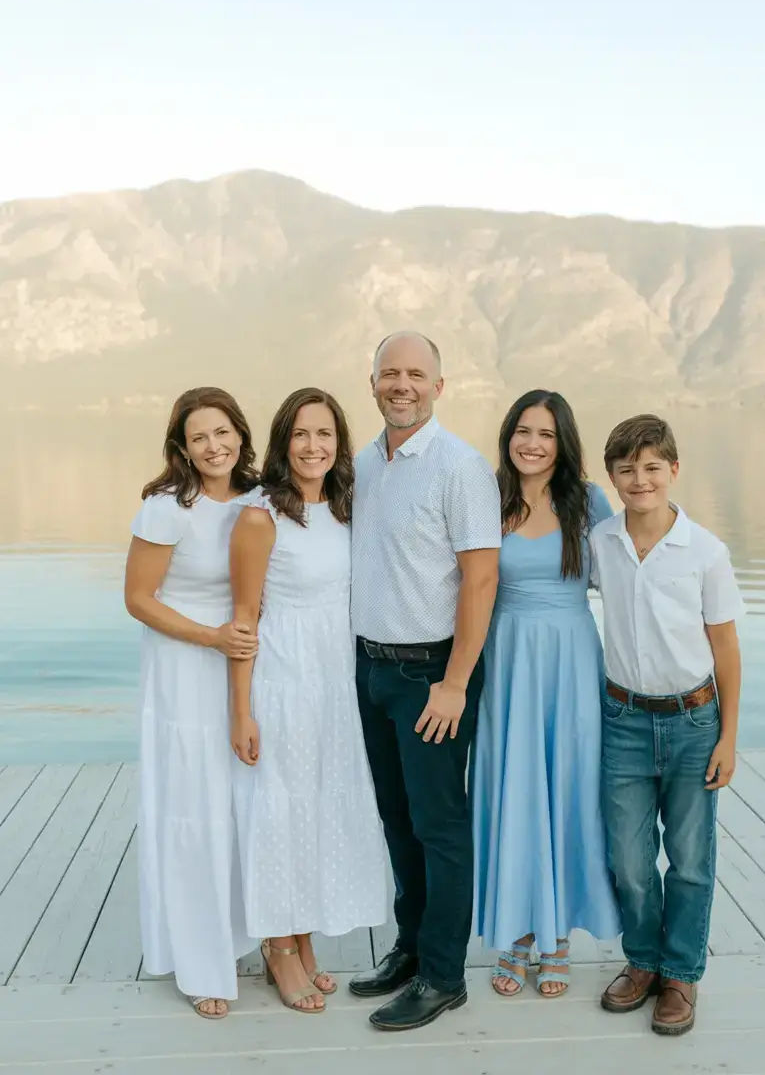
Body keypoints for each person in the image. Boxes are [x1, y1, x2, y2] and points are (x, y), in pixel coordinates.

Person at [348, 331, 502, 1032]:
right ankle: (409, 947)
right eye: (391, 373)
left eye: (416, 374)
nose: (401, 385)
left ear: (439, 387)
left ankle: (443, 976)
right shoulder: (363, 465)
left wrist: (455, 682)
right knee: (396, 818)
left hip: (431, 674)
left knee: (439, 825)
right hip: (371, 669)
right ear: (373, 383)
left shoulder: (459, 468)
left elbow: (481, 579)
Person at [228, 387, 388, 1015]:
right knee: (282, 810)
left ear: (339, 443)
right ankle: (278, 945)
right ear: (282, 442)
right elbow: (244, 620)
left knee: (319, 808)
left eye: (324, 433)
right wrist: (242, 711)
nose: (313, 446)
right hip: (283, 684)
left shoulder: (345, 509)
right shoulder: (260, 517)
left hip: (334, 684)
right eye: (300, 434)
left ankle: (303, 937)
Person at [590, 413, 743, 1037]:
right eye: (627, 470)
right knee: (628, 858)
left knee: (689, 857)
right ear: (612, 476)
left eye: (652, 468)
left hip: (693, 721)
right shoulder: (601, 542)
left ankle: (680, 973)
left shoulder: (705, 551)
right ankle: (643, 960)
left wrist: (728, 737)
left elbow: (726, 647)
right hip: (623, 719)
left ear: (673, 470)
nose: (640, 480)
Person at [471, 390, 621, 998]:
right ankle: (518, 930)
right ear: (508, 435)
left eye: (546, 434)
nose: (532, 444)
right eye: (523, 431)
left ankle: (557, 934)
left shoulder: (588, 501)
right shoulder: (487, 497)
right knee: (513, 786)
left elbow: (623, 580)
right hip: (506, 657)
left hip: (571, 660)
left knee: (567, 786)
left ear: (563, 444)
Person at [124, 387, 261, 1019]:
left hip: (247, 665)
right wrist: (212, 638)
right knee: (193, 809)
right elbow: (139, 599)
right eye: (199, 437)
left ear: (241, 434)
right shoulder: (166, 508)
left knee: (242, 804)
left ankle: (245, 936)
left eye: (223, 432)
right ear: (181, 447)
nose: (214, 446)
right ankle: (200, 961)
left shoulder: (259, 499)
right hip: (185, 667)